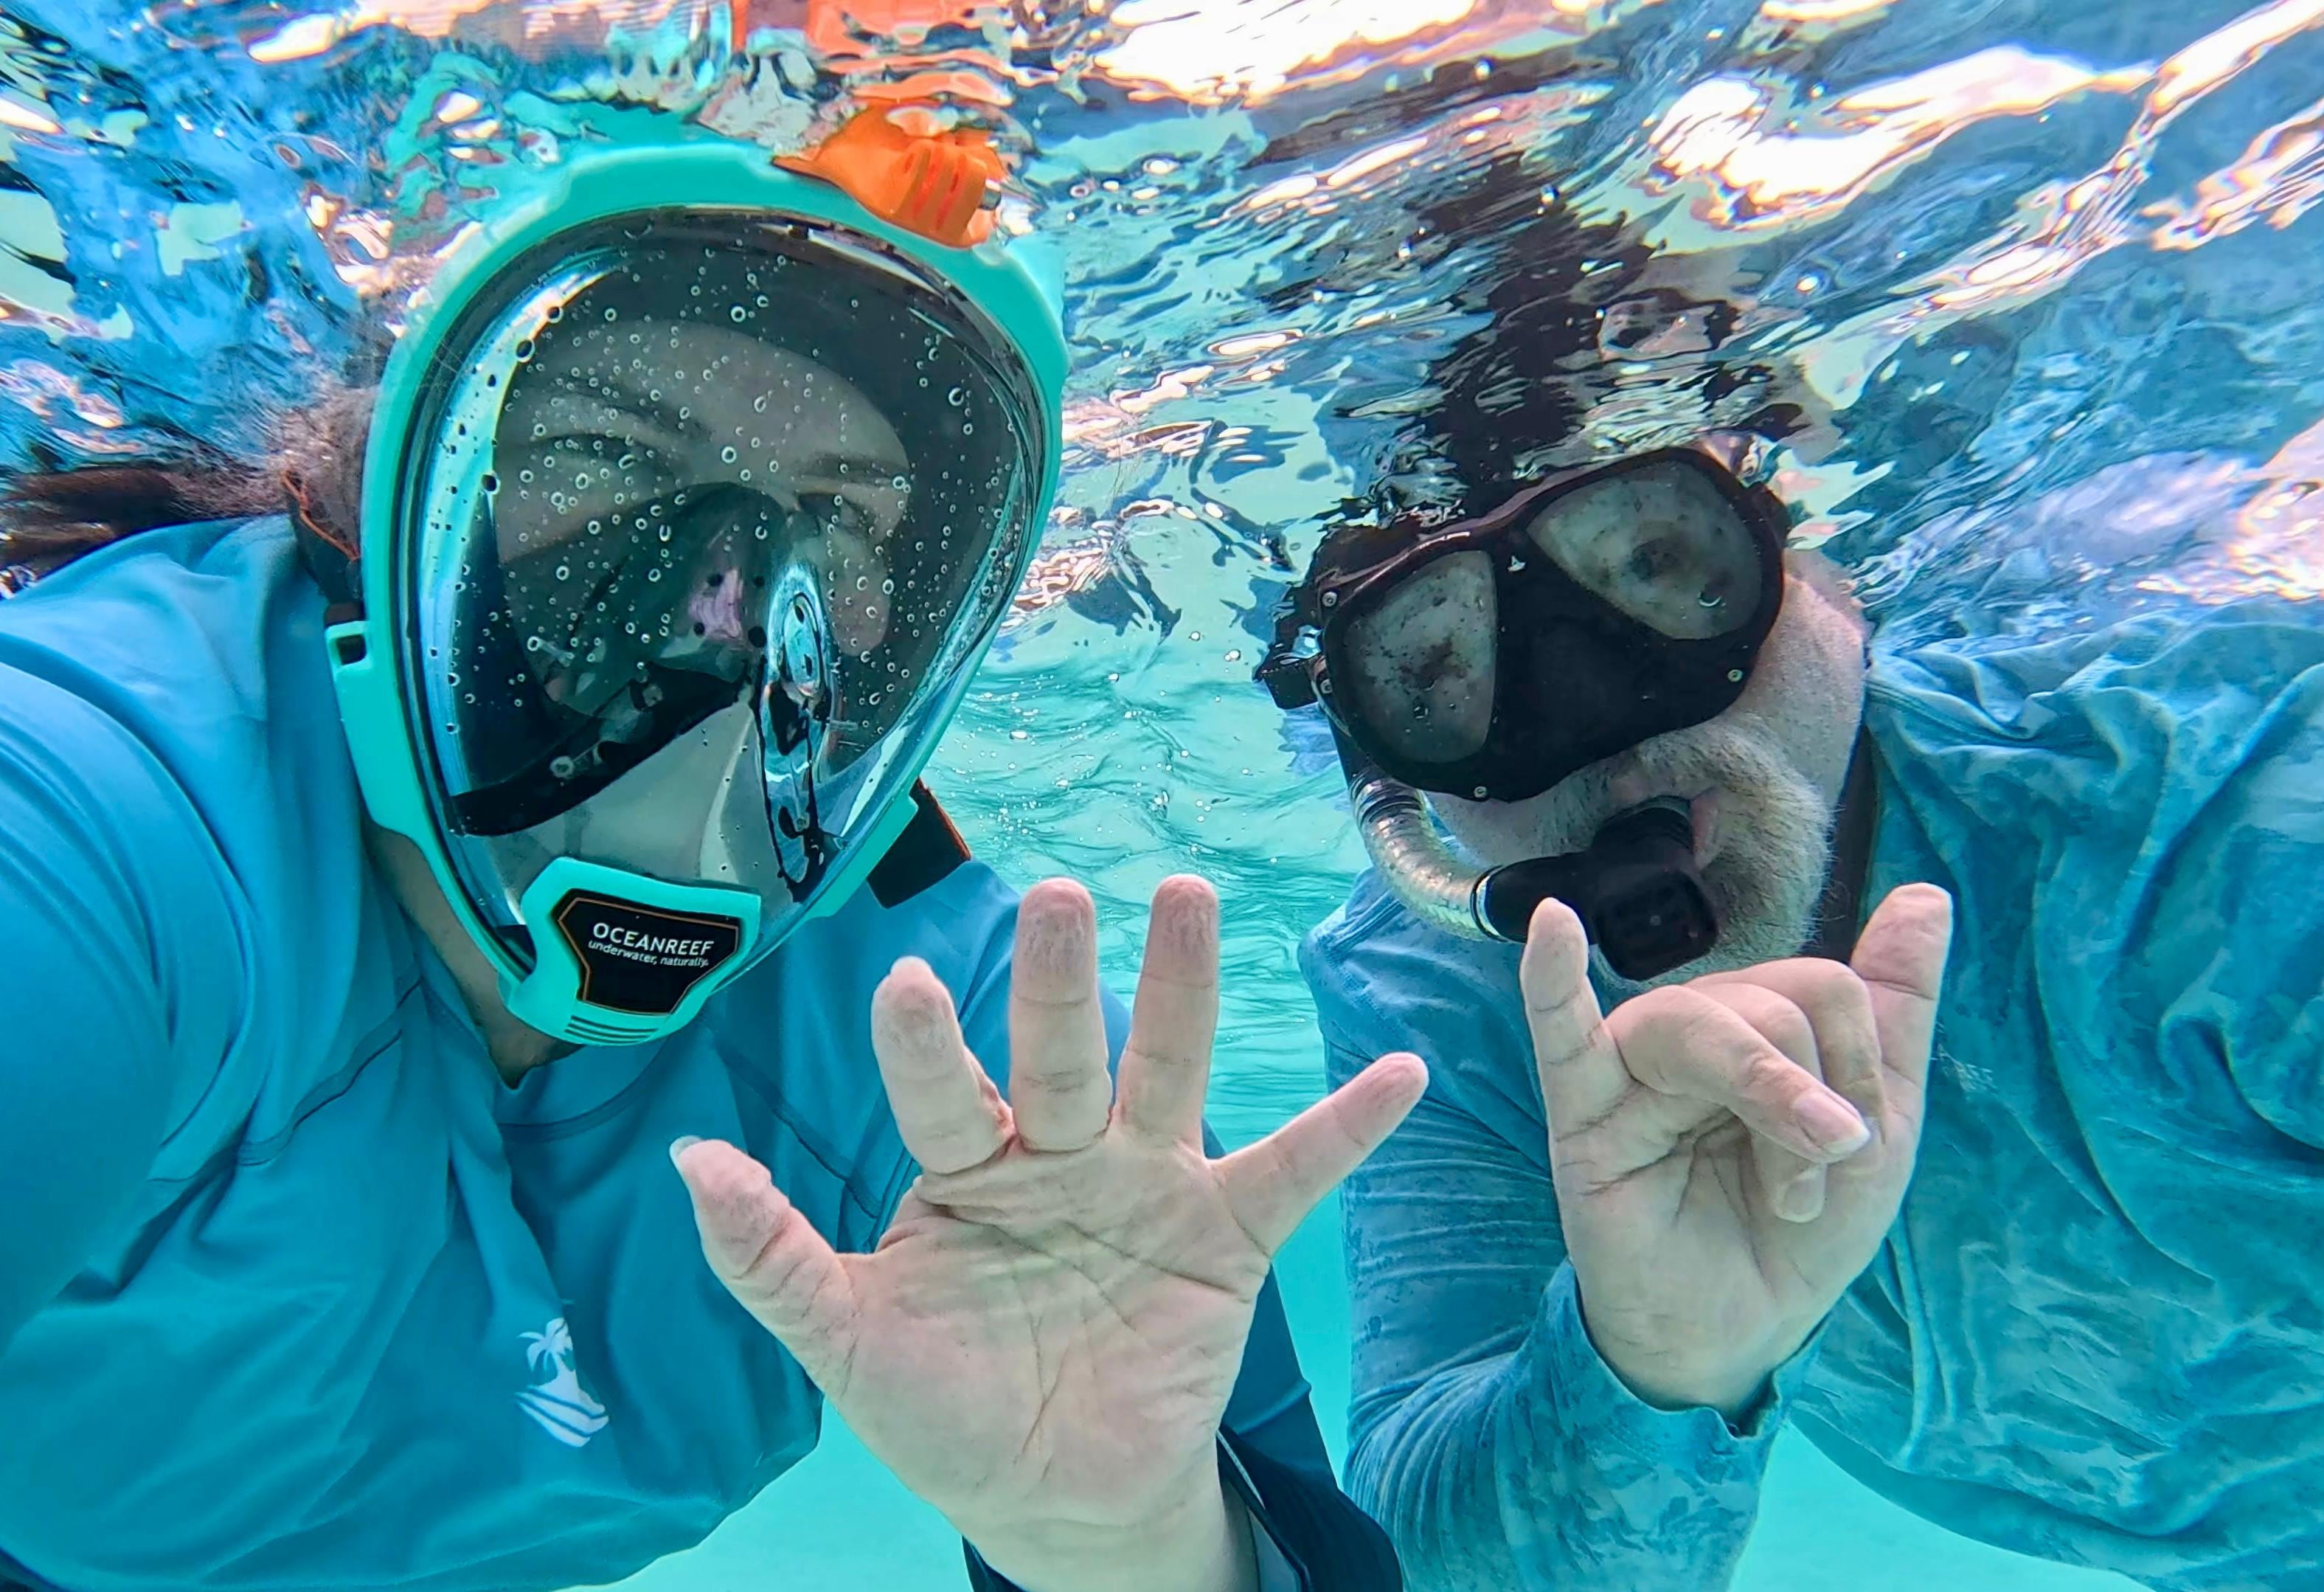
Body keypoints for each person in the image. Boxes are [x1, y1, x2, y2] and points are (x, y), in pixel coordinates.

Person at [0, 109, 1429, 1592]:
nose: (725, 614)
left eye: (840, 523)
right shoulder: (109, 798)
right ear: (403, 506)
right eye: (610, 454)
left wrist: (1126, 1544)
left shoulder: (980, 1059)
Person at [1266, 436, 2324, 1590]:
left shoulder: (2222, 810)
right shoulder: (1441, 983)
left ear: (1821, 570)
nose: (1609, 735)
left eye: (1664, 560)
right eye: (1440, 673)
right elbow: (1422, 1549)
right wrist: (1650, 1366)